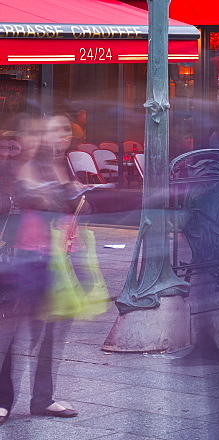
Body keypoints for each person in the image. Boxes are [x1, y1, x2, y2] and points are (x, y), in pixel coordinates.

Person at [0, 114, 82, 422]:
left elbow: (67, 205)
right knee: (10, 333)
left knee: (50, 332)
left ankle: (43, 398)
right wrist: (52, 195)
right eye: (33, 135)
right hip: (19, 258)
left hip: (56, 256)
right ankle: (3, 399)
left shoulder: (55, 165)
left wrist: (72, 196)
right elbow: (25, 198)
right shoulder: (15, 168)